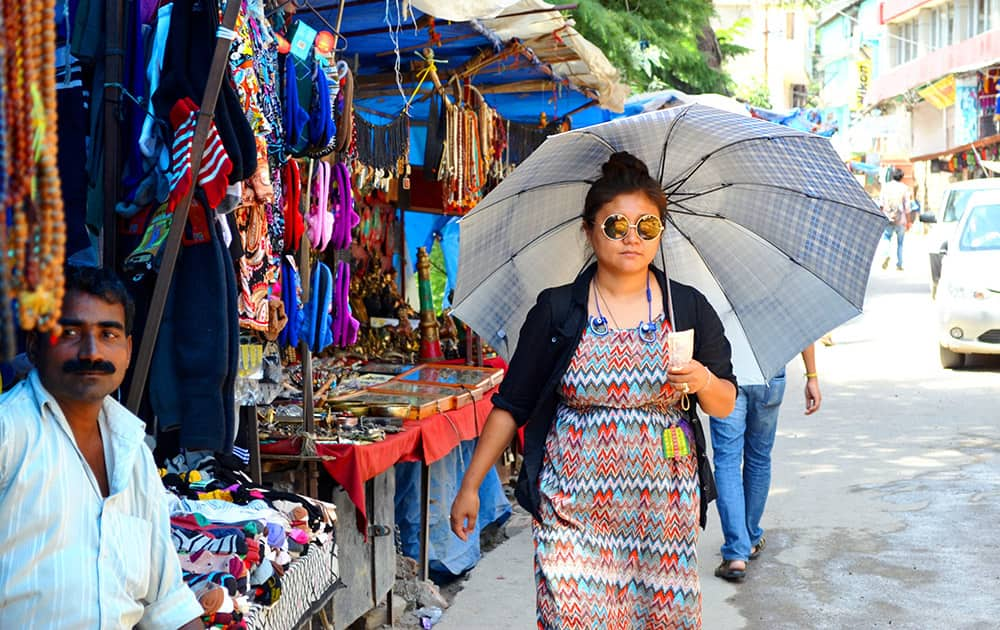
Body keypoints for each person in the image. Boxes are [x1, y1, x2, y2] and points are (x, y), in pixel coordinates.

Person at [450, 152, 737, 628]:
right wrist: (470, 486)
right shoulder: (558, 310)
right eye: (616, 225)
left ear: (661, 232)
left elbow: (724, 403)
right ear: (589, 230)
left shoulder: (687, 306)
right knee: (572, 617)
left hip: (663, 509)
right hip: (572, 508)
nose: (632, 237)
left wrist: (703, 380)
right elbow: (512, 404)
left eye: (647, 227)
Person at [0, 265, 204, 629]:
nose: (92, 352)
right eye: (70, 332)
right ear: (33, 345)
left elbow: (166, 603)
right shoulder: (8, 434)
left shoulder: (134, 453)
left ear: (127, 350)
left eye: (108, 334)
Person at [710, 345, 822, 582]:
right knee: (759, 458)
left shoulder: (717, 304)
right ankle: (749, 538)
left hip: (726, 376)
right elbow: (801, 326)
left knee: (727, 461)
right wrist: (811, 376)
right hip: (769, 374)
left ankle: (736, 553)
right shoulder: (780, 303)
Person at [879, 168, 911, 271]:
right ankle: (899, 264)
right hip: (900, 220)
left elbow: (881, 204)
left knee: (886, 238)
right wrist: (909, 221)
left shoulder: (885, 187)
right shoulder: (904, 188)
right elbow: (907, 207)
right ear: (901, 177)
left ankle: (885, 256)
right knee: (900, 243)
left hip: (888, 218)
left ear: (892, 176)